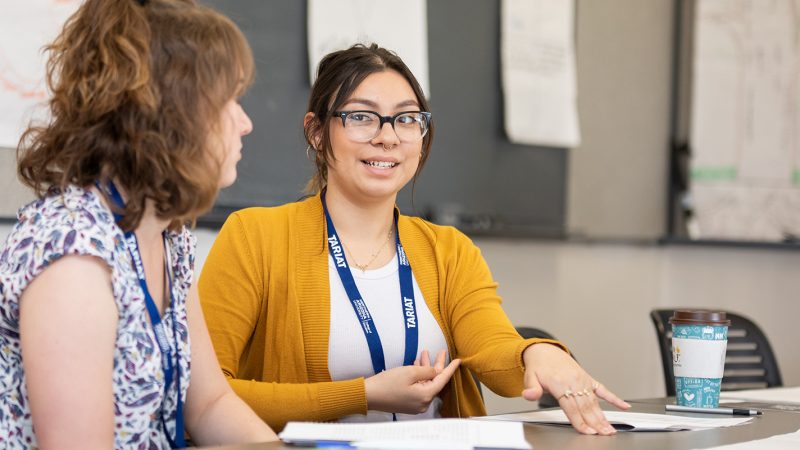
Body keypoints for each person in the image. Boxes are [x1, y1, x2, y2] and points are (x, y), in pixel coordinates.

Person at [199, 43, 630, 435]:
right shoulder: (254, 237)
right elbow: (202, 394)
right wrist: (362, 394)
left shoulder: (448, 250)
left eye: (406, 118)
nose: (388, 136)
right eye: (362, 116)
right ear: (316, 131)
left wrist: (536, 354)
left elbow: (494, 353)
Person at [0, 0, 278, 448]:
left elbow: (208, 405)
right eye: (228, 101)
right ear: (172, 113)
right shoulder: (74, 259)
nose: (244, 123)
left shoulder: (169, 235)